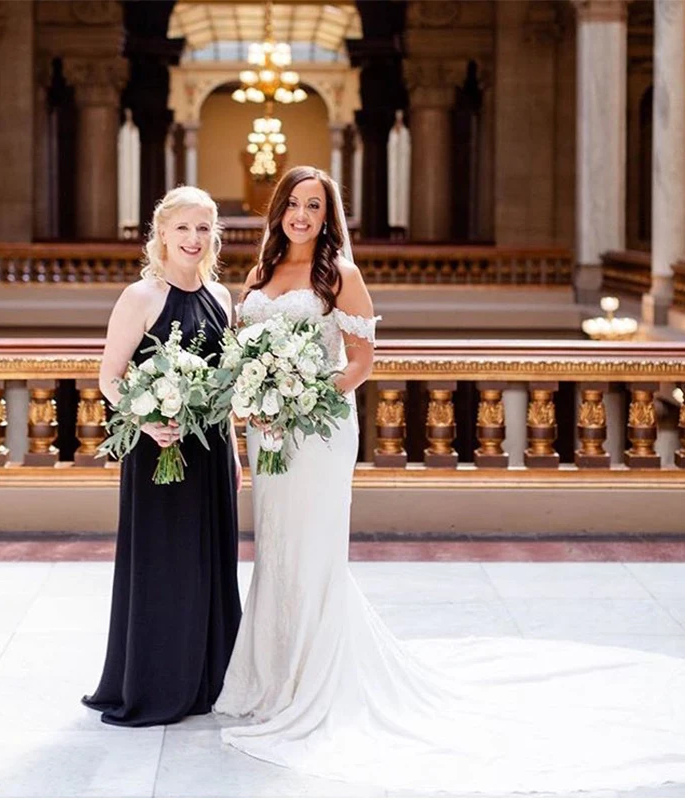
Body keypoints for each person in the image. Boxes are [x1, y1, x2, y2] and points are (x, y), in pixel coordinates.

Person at [213, 166, 685, 794]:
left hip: (319, 430)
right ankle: (269, 679)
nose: (302, 215)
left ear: (328, 218)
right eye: (294, 204)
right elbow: (242, 352)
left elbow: (361, 362)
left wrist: (300, 392)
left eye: (315, 207)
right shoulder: (256, 278)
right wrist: (256, 399)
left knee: (314, 551)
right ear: (278, 211)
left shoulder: (340, 277)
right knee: (273, 550)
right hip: (270, 432)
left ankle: (314, 682)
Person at [82, 186, 242, 727]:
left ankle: (207, 680)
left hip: (211, 450)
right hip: (158, 451)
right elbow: (109, 377)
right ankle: (155, 684)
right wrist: (148, 420)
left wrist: (236, 453)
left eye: (203, 229)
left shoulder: (222, 298)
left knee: (209, 564)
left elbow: (225, 385)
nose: (194, 239)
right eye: (183, 229)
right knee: (164, 563)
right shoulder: (140, 296)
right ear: (162, 235)